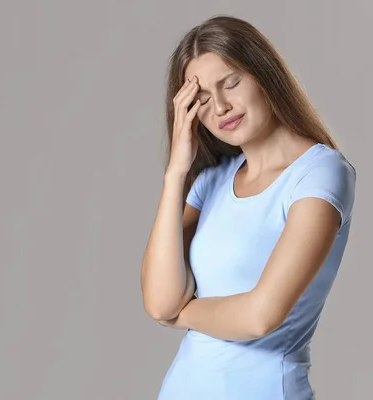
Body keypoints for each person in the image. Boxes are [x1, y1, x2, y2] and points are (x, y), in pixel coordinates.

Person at [140, 15, 356, 400]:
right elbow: (158, 299)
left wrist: (181, 313)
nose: (221, 106)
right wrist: (176, 172)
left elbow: (260, 317)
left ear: (264, 75)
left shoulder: (320, 173)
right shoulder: (210, 182)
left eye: (232, 83)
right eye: (202, 97)